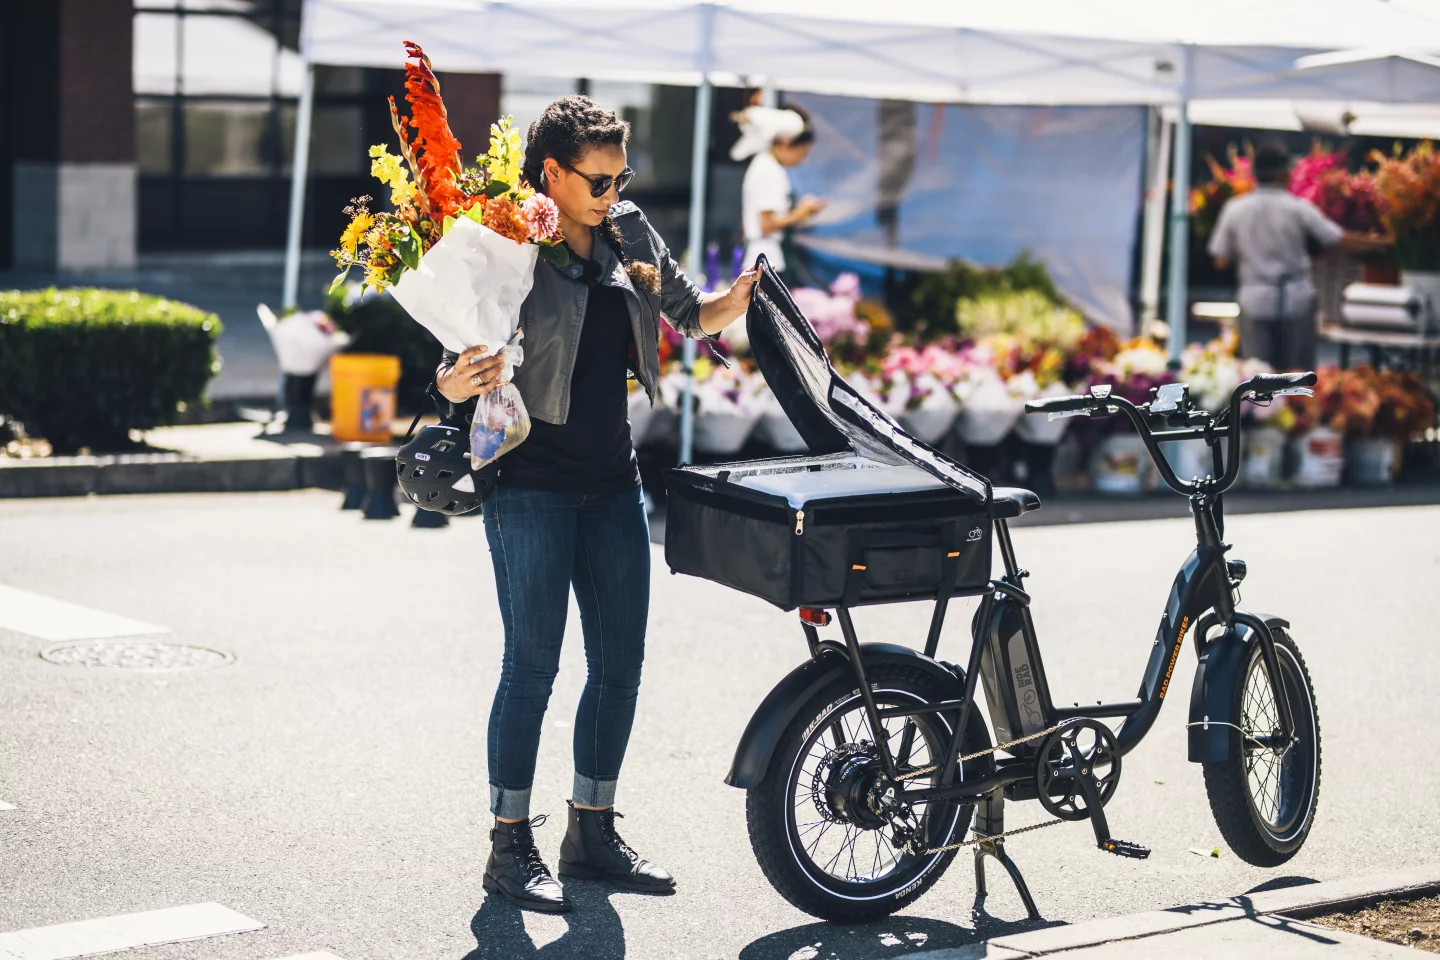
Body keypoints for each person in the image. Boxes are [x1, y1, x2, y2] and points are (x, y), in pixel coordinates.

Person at [435, 95, 757, 914]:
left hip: (613, 481)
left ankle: (592, 829)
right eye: (598, 179)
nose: (613, 192)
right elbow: (451, 359)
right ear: (552, 172)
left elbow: (693, 316)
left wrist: (751, 295)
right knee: (533, 667)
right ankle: (509, 847)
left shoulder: (632, 232)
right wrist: (452, 382)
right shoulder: (508, 236)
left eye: (622, 177)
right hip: (530, 482)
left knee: (620, 667)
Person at [1208, 141, 1384, 370]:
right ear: (1283, 174)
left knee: (1256, 376)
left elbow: (1220, 259)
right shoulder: (1298, 208)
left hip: (1254, 298)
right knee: (1296, 377)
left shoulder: (1235, 209)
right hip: (1296, 299)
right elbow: (1338, 239)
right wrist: (1382, 244)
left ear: (1254, 174)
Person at [733, 102, 825, 283]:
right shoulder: (768, 169)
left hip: (766, 258)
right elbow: (766, 224)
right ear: (785, 142)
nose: (802, 160)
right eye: (802, 152)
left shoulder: (768, 166)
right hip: (765, 260)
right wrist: (801, 213)